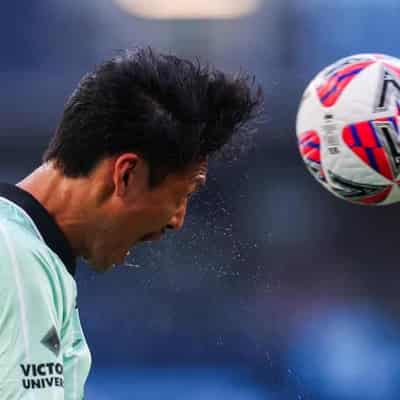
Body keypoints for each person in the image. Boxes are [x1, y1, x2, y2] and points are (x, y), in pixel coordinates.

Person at [0, 48, 261, 399]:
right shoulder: (18, 259)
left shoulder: (22, 247)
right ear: (127, 175)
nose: (177, 220)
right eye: (183, 194)